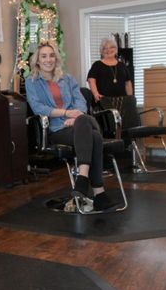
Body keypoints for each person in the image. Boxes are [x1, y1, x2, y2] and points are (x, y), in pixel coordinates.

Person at [25, 42, 117, 211]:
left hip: (77, 125)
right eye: (43, 56)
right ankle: (99, 194)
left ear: (56, 58)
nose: (48, 60)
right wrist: (67, 113)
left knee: (85, 124)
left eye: (51, 56)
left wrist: (76, 118)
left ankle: (83, 178)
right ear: (37, 60)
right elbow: (38, 108)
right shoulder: (32, 82)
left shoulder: (67, 79)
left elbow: (80, 102)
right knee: (95, 136)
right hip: (57, 130)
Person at [87, 36, 140, 130]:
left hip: (122, 102)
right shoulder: (97, 65)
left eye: (111, 47)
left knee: (128, 126)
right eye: (105, 48)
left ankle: (127, 138)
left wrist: (130, 98)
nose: (108, 50)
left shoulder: (122, 65)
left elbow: (128, 83)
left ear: (116, 50)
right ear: (101, 51)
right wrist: (95, 94)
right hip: (104, 102)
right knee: (111, 126)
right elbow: (91, 80)